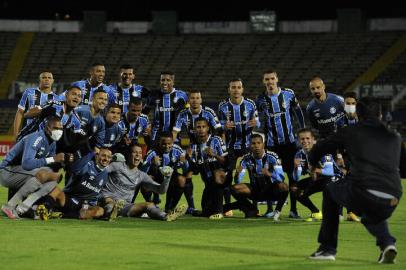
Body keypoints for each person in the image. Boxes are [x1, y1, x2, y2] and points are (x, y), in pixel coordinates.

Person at [308, 97, 405, 263]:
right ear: (381, 115)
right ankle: (387, 244)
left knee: (331, 191)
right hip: (394, 196)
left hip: (364, 189)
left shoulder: (351, 131)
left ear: (358, 115)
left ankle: (327, 249)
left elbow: (320, 147)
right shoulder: (395, 136)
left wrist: (313, 162)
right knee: (372, 211)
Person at [256, 70, 305, 218]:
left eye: (272, 78)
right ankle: (270, 209)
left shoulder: (288, 94)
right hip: (272, 145)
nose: (270, 82)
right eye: (267, 79)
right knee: (269, 176)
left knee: (292, 176)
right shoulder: (261, 99)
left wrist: (302, 131)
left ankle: (293, 210)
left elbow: (298, 111)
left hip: (289, 143)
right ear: (264, 81)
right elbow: (258, 120)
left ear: (277, 79)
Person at [100, 143, 187, 221]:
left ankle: (166, 216)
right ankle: (110, 213)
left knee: (148, 205)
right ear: (129, 154)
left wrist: (167, 178)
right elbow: (100, 172)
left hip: (125, 206)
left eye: (140, 153)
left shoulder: (141, 175)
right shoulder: (117, 165)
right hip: (107, 197)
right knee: (110, 203)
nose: (138, 155)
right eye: (135, 152)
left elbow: (161, 190)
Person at [0, 116, 65, 219]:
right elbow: (27, 164)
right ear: (48, 128)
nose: (59, 131)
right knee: (44, 174)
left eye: (61, 129)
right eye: (55, 128)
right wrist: (53, 159)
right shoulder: (36, 138)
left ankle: (23, 207)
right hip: (7, 171)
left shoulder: (52, 143)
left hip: (21, 172)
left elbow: (48, 166)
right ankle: (9, 206)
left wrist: (61, 163)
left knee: (53, 180)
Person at [172, 89, 221, 214]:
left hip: (207, 147)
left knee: (214, 176)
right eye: (192, 98)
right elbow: (175, 132)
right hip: (192, 148)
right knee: (188, 173)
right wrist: (172, 147)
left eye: (197, 98)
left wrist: (218, 146)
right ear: (189, 100)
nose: (195, 100)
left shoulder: (208, 112)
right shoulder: (183, 113)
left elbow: (218, 130)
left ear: (201, 100)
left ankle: (221, 207)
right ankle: (191, 206)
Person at [218, 78, 259, 216]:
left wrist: (255, 123)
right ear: (229, 90)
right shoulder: (223, 106)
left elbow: (257, 122)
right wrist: (224, 126)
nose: (236, 90)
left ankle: (254, 207)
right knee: (227, 177)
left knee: (254, 176)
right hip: (230, 147)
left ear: (242, 89)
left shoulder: (250, 104)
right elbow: (219, 127)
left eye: (238, 87)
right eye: (233, 87)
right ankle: (228, 208)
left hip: (248, 146)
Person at [223, 134, 288, 221]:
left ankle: (277, 211)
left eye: (259, 143)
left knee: (284, 187)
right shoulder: (246, 158)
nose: (256, 146)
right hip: (255, 191)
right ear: (249, 145)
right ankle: (251, 209)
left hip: (270, 191)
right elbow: (237, 181)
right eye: (253, 143)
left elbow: (281, 178)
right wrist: (237, 174)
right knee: (234, 188)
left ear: (263, 144)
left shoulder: (272, 157)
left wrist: (270, 174)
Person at [39, 148, 114, 220]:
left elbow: (96, 194)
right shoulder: (88, 165)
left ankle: (62, 215)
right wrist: (92, 152)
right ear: (97, 156)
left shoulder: (105, 174)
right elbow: (75, 169)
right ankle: (45, 208)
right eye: (103, 155)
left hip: (85, 206)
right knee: (56, 190)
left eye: (109, 157)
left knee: (100, 211)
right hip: (70, 199)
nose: (106, 159)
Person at [292, 128, 343, 222]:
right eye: (302, 139)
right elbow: (296, 177)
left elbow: (330, 171)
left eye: (308, 138)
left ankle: (338, 213)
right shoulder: (299, 154)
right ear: (299, 140)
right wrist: (296, 167)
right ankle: (316, 212)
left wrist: (315, 170)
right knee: (295, 189)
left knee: (329, 186)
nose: (305, 141)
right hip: (318, 179)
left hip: (335, 178)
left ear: (313, 139)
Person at [188, 117, 228, 219]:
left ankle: (219, 212)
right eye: (198, 127)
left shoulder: (216, 140)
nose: (201, 129)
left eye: (203, 127)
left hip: (222, 180)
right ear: (194, 129)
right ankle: (243, 207)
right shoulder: (194, 146)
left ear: (208, 128)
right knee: (206, 212)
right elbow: (196, 171)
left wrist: (214, 155)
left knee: (217, 180)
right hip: (208, 184)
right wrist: (188, 159)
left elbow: (226, 162)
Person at [141, 132, 188, 212]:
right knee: (145, 181)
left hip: (170, 177)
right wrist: (150, 162)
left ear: (172, 142)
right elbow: (142, 171)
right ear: (159, 142)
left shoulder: (177, 150)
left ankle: (170, 208)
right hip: (156, 177)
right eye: (163, 144)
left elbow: (186, 170)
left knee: (182, 180)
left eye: (169, 144)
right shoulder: (152, 151)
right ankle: (150, 204)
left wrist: (184, 163)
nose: (167, 146)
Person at [13, 72, 58, 139]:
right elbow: (20, 112)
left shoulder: (56, 98)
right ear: (40, 80)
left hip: (46, 136)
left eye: (49, 78)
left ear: (52, 81)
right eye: (44, 77)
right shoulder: (29, 92)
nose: (47, 79)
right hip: (28, 134)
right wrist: (16, 135)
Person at [150, 71, 188, 142]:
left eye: (168, 80)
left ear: (173, 82)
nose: (165, 83)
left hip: (175, 138)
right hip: (156, 137)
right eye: (162, 80)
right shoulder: (153, 95)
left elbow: (188, 113)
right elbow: (145, 112)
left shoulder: (182, 96)